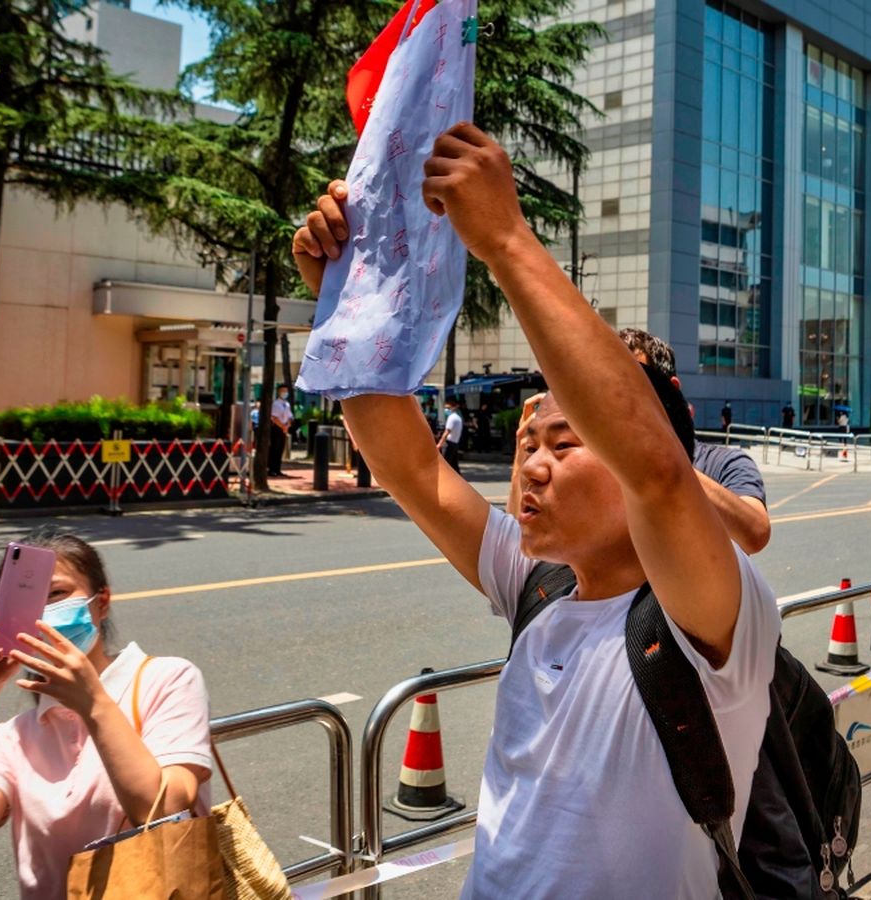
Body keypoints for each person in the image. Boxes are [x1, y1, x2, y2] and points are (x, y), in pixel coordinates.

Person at [291, 122, 781, 898]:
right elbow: (408, 462)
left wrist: (507, 239)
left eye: (563, 441)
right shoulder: (537, 580)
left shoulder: (710, 610)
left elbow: (657, 473)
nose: (532, 466)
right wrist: (342, 294)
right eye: (525, 442)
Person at [0, 529, 212, 900]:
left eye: (55, 594)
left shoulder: (167, 679)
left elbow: (164, 810)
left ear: (102, 603)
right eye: (22, 605)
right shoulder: (15, 737)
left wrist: (93, 703)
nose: (41, 617)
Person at [616, 328, 771, 553]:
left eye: (633, 381)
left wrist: (659, 461)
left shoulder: (723, 463)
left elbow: (754, 532)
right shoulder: (592, 461)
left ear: (671, 390)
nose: (619, 397)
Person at [269, 384, 294, 476]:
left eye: (286, 391)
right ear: (279, 392)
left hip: (284, 429)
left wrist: (287, 425)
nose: (285, 393)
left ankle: (277, 469)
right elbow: (274, 418)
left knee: (280, 450)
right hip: (277, 428)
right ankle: (271, 469)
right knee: (274, 449)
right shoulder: (276, 404)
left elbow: (290, 416)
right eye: (283, 391)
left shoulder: (287, 404)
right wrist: (282, 426)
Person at [437, 396, 464, 472]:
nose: (446, 410)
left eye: (448, 408)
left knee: (445, 465)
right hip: (455, 443)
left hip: (449, 443)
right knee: (455, 466)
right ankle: (459, 480)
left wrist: (440, 443)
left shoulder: (451, 418)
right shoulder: (458, 418)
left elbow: (447, 432)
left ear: (453, 407)